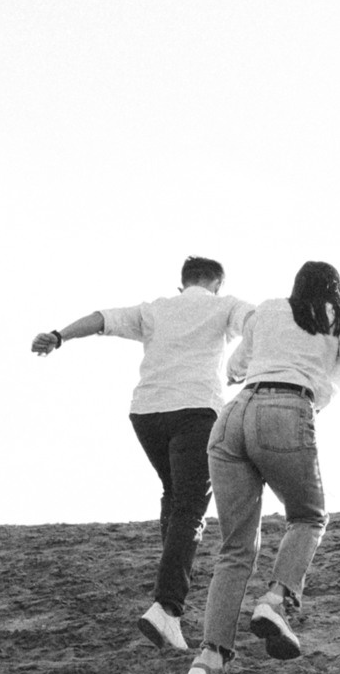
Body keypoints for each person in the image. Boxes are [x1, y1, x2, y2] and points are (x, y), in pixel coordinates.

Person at [181, 260, 340, 674]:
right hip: (286, 411)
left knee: (235, 549)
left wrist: (246, 368)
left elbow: (236, 365)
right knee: (308, 517)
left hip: (232, 417)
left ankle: (207, 664)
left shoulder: (268, 310)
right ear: (337, 290)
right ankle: (275, 599)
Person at [31, 256, 252, 654]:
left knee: (173, 494)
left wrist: (58, 335)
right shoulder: (225, 305)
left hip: (147, 414)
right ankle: (167, 607)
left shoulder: (155, 309)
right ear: (217, 284)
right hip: (195, 411)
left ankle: (168, 611)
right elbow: (258, 324)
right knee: (190, 508)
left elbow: (102, 318)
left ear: (182, 284)